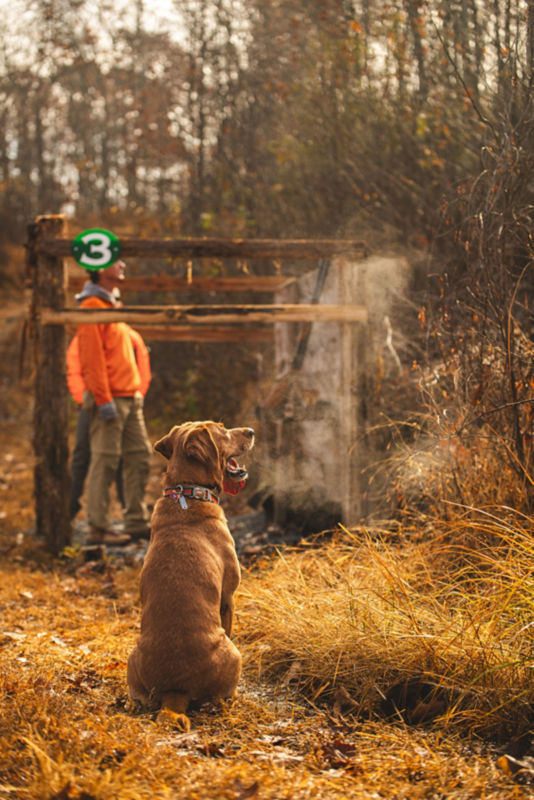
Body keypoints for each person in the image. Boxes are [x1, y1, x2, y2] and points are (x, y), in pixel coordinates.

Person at [76, 259, 152, 546]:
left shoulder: (113, 307)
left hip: (131, 398)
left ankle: (136, 521)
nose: (123, 264)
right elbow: (91, 359)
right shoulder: (91, 307)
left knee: (139, 457)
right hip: (109, 400)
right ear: (98, 269)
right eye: (114, 261)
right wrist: (103, 399)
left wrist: (137, 393)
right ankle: (98, 527)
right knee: (105, 461)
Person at [66, 323, 152, 520]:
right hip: (93, 406)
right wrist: (88, 400)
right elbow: (75, 370)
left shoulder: (130, 335)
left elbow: (142, 370)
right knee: (83, 455)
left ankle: (128, 512)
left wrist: (136, 397)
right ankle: (69, 508)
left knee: (128, 457)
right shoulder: (86, 334)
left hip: (125, 403)